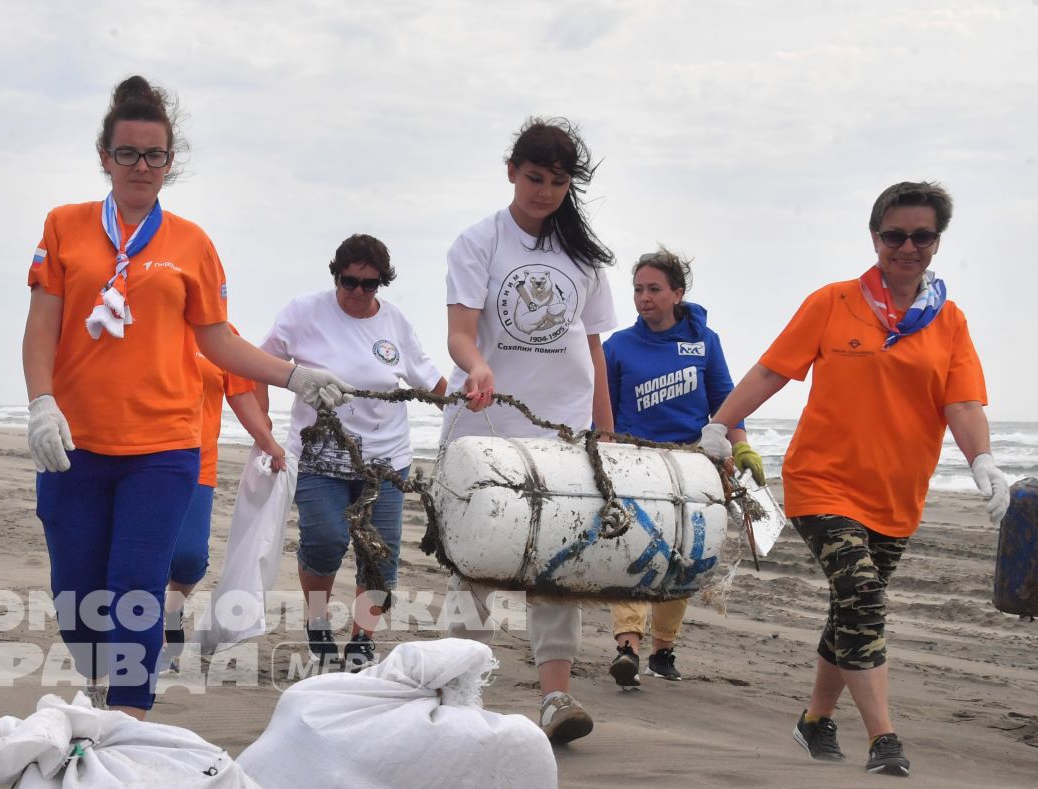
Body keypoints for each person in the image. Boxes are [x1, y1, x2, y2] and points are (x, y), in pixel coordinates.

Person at [22, 75, 349, 718]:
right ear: (105, 157)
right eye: (128, 154)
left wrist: (290, 374)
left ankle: (129, 711)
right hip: (75, 440)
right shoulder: (64, 228)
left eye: (155, 156)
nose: (141, 167)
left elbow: (218, 341)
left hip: (165, 445)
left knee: (136, 582)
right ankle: (99, 679)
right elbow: (41, 329)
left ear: (170, 163)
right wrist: (41, 404)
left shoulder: (192, 244)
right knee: (75, 589)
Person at [705, 181, 1010, 778]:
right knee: (863, 596)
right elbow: (773, 370)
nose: (907, 246)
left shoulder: (948, 322)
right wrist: (722, 422)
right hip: (822, 483)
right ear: (875, 238)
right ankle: (884, 739)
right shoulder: (834, 302)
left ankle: (814, 721)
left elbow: (963, 403)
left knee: (849, 607)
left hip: (897, 495)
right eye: (895, 235)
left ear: (936, 243)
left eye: (921, 236)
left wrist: (983, 462)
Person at [441, 118, 618, 745]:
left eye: (558, 181)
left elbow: (593, 351)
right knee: (477, 564)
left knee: (558, 562)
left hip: (562, 431)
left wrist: (605, 431)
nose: (544, 191)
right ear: (512, 171)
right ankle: (461, 692)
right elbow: (462, 333)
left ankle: (555, 696)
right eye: (535, 177)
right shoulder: (478, 242)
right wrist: (478, 365)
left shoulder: (584, 257)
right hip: (486, 423)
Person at [258, 234, 445, 671]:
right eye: (350, 281)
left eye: (370, 284)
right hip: (321, 456)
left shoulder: (395, 322)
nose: (359, 292)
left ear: (382, 283)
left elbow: (430, 381)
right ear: (336, 275)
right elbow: (257, 365)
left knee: (380, 554)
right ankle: (318, 621)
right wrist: (263, 428)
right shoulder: (303, 312)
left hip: (386, 458)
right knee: (324, 542)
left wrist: (466, 398)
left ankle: (363, 640)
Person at [601, 247, 756, 688]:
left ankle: (663, 650)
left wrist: (738, 449)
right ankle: (627, 646)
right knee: (631, 547)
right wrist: (604, 451)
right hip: (635, 461)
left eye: (654, 289)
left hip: (692, 464)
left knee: (684, 553)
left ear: (677, 293)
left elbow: (726, 401)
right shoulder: (618, 346)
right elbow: (604, 411)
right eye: (637, 289)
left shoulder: (705, 342)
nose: (643, 297)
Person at [161, 336, 280, 667]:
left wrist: (269, 443)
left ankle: (171, 607)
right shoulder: (154, 318)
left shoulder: (221, 333)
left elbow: (240, 392)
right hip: (147, 459)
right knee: (152, 554)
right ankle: (154, 639)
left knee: (189, 558)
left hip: (199, 462)